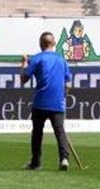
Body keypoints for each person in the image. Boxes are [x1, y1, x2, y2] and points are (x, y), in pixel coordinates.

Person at [20, 31, 72, 171]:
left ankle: (36, 162)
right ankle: (64, 159)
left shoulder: (36, 59)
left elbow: (23, 79)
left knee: (37, 133)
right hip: (57, 102)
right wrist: (63, 97)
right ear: (54, 43)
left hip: (41, 102)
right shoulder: (61, 59)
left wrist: (24, 63)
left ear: (40, 44)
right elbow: (68, 84)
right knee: (60, 132)